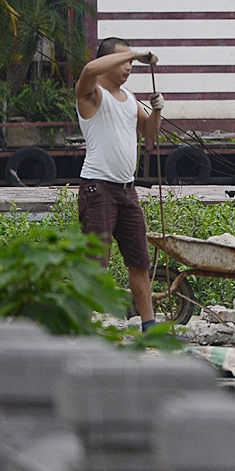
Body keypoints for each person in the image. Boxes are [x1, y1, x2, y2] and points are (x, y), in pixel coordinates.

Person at [75, 37, 163, 327]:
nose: (129, 67)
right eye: (123, 61)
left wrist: (158, 111)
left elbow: (149, 132)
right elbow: (89, 69)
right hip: (98, 188)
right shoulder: (93, 95)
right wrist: (136, 52)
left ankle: (149, 325)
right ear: (108, 62)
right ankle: (83, 325)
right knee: (96, 263)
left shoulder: (130, 99)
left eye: (130, 62)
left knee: (140, 260)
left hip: (127, 191)